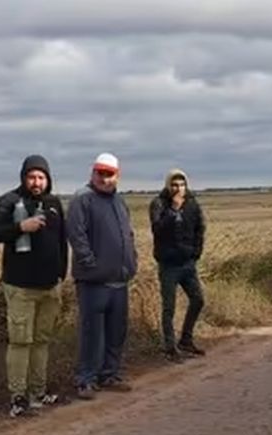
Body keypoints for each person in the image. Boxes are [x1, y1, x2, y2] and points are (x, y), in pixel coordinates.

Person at [0, 154, 68, 417]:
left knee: (42, 341)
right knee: (21, 342)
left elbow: (62, 240)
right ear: (23, 178)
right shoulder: (9, 201)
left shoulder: (53, 203)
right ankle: (18, 399)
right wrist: (21, 226)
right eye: (32, 176)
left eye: (41, 177)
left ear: (48, 179)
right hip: (20, 287)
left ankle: (38, 393)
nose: (36, 182)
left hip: (50, 286)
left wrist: (61, 274)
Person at [66, 152, 138, 399]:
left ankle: (110, 374)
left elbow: (128, 234)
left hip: (119, 280)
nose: (103, 178)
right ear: (92, 172)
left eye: (108, 174)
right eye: (99, 173)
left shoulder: (119, 201)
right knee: (91, 333)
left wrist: (132, 262)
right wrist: (90, 264)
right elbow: (77, 236)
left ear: (117, 176)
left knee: (116, 332)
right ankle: (85, 379)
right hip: (93, 282)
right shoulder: (82, 199)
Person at [149, 168, 208, 362]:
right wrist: (173, 210)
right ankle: (169, 348)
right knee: (169, 308)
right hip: (168, 264)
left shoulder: (192, 204)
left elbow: (200, 228)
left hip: (188, 262)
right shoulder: (159, 203)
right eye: (174, 184)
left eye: (182, 184)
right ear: (168, 185)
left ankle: (186, 339)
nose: (178, 188)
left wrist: (196, 252)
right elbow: (157, 230)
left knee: (198, 300)